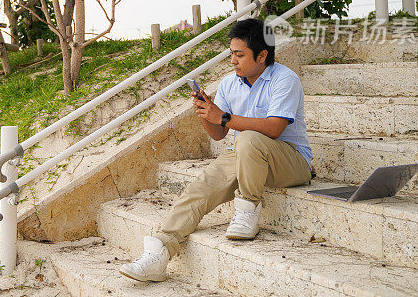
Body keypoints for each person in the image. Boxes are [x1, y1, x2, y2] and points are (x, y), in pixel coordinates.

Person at [119, 18, 313, 282]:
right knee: (199, 188)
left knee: (247, 139)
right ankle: (159, 253)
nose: (233, 60)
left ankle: (248, 209)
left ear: (262, 55)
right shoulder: (229, 83)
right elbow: (220, 133)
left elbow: (274, 129)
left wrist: (222, 117)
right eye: (231, 53)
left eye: (240, 54)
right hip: (244, 155)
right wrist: (205, 114)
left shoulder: (285, 79)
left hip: (290, 160)